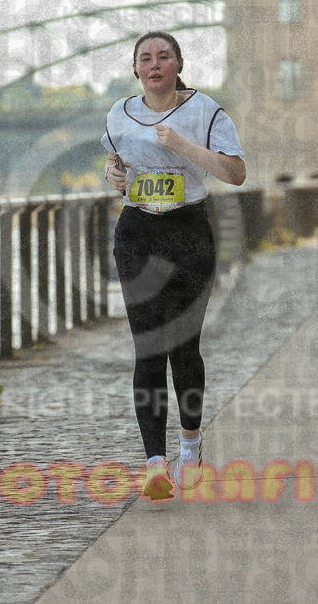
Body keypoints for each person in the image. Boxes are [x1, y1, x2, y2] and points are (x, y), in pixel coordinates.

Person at [101, 31, 246, 500]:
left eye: (164, 56)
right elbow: (117, 167)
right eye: (145, 58)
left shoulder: (206, 111)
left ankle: (190, 446)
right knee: (148, 347)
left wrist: (184, 146)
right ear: (136, 69)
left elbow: (235, 173)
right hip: (137, 234)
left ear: (179, 64)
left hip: (188, 234)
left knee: (183, 348)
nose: (155, 64)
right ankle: (154, 464)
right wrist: (114, 176)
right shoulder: (119, 113)